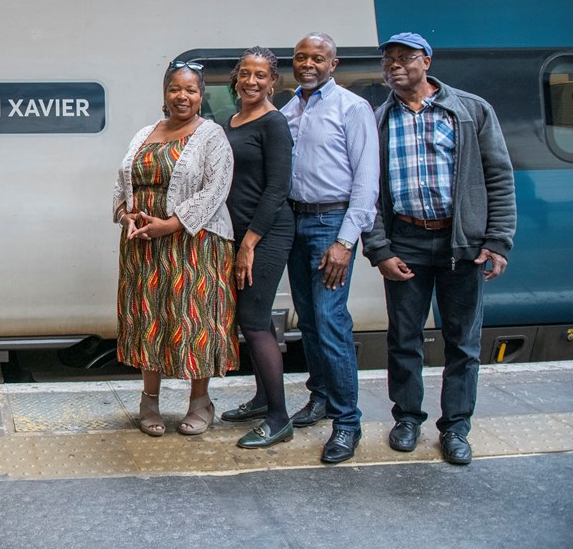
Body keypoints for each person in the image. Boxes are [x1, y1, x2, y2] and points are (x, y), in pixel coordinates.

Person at [361, 32, 515, 465]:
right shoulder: (379, 119)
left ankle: (456, 427)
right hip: (405, 241)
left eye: (405, 57)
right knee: (403, 338)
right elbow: (367, 191)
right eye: (389, 58)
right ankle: (407, 418)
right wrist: (379, 248)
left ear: (426, 61)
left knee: (462, 341)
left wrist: (498, 240)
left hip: (460, 243)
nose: (395, 65)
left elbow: (499, 177)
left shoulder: (470, 110)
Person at [113, 60, 237, 437]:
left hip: (194, 245)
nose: (182, 96)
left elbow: (216, 190)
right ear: (164, 94)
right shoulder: (144, 134)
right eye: (175, 89)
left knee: (192, 321)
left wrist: (171, 224)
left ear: (201, 96)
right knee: (150, 322)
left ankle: (201, 403)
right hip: (144, 248)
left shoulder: (212, 136)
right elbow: (122, 185)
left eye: (191, 90)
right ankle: (149, 402)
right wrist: (125, 217)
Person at [280, 32, 379, 464]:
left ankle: (347, 423)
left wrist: (345, 241)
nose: (308, 64)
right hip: (294, 222)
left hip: (330, 225)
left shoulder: (352, 108)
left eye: (317, 58)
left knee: (330, 319)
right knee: (311, 320)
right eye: (301, 57)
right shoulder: (288, 111)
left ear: (333, 64)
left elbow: (366, 181)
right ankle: (319, 397)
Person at [219, 48, 296, 448]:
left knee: (253, 320)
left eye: (260, 75)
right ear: (236, 78)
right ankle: (264, 399)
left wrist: (249, 242)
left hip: (266, 234)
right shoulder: (230, 121)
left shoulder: (274, 123)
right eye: (245, 74)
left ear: (273, 82)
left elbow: (277, 188)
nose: (251, 81)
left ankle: (279, 418)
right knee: (256, 320)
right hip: (237, 234)